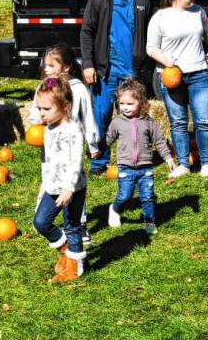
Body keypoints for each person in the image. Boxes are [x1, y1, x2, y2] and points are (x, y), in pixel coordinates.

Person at [80, 0, 152, 175]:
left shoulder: (142, 3)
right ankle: (99, 162)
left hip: (132, 73)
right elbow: (87, 33)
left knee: (132, 119)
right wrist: (89, 64)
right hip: (105, 72)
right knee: (101, 116)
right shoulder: (100, 0)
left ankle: (129, 160)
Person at [147, 0, 208, 178]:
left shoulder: (198, 12)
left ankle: (206, 163)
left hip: (199, 74)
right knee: (178, 122)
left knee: (203, 120)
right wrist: (167, 60)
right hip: (171, 76)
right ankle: (184, 164)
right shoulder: (160, 17)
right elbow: (151, 47)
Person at [28, 44, 99, 244]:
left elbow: (88, 118)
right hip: (50, 145)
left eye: (52, 65)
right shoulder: (43, 88)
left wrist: (92, 144)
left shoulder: (78, 89)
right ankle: (51, 218)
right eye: (45, 65)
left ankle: (79, 224)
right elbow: (34, 110)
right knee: (50, 173)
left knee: (74, 189)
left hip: (71, 144)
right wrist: (37, 118)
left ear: (66, 67)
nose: (47, 69)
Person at [32, 77, 87, 283]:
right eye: (39, 108)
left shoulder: (73, 130)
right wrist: (43, 184)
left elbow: (76, 162)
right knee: (40, 222)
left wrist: (69, 189)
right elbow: (48, 160)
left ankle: (75, 268)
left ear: (65, 106)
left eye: (46, 109)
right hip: (52, 186)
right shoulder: (49, 129)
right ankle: (65, 251)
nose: (41, 113)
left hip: (73, 188)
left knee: (72, 225)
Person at [103, 79, 175, 235]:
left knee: (148, 197)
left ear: (141, 103)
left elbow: (160, 141)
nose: (125, 108)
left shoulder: (149, 122)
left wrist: (168, 158)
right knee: (124, 196)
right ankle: (114, 209)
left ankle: (149, 221)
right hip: (125, 167)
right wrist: (98, 150)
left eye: (130, 104)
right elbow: (108, 139)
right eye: (122, 104)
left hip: (146, 168)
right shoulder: (117, 122)